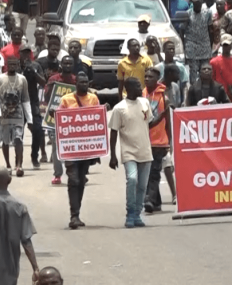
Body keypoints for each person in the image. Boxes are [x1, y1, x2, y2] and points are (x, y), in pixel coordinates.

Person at [109, 78, 160, 228]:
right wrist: (113, 155)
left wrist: (163, 116)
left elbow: (149, 123)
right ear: (129, 89)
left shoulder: (144, 103)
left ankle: (137, 214)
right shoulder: (119, 108)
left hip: (145, 150)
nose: (141, 87)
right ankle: (130, 212)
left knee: (143, 186)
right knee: (132, 180)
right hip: (129, 151)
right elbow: (113, 132)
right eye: (138, 85)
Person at [58, 72, 99, 229]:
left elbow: (97, 120)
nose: (84, 84)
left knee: (81, 180)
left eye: (86, 82)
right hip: (71, 148)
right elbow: (60, 119)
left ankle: (77, 213)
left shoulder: (93, 98)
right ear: (76, 84)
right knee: (73, 179)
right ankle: (73, 215)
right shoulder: (66, 99)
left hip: (85, 148)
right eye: (81, 82)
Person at [0, 166, 39, 285]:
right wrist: (35, 268)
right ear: (10, 180)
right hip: (9, 271)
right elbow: (26, 241)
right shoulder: (20, 207)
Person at [143, 67, 174, 212]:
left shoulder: (164, 98)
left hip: (159, 141)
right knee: (149, 172)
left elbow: (168, 121)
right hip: (144, 140)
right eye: (146, 76)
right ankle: (157, 203)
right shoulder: (141, 95)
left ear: (157, 79)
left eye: (151, 77)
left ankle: (149, 199)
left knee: (154, 171)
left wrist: (170, 142)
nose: (147, 79)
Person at [44, 56, 77, 184]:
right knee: (56, 147)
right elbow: (47, 98)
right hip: (54, 119)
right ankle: (57, 174)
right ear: (61, 65)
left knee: (72, 148)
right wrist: (50, 87)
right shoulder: (53, 79)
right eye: (65, 63)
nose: (68, 65)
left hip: (72, 120)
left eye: (70, 63)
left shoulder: (76, 80)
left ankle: (73, 173)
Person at [0, 57, 32, 176]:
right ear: (7, 65)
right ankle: (8, 165)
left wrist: (29, 119)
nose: (12, 66)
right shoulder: (1, 78)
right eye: (10, 64)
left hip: (18, 115)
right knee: (5, 141)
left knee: (18, 139)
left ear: (18, 65)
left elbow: (25, 99)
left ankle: (19, 165)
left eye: (15, 64)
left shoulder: (22, 79)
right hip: (4, 115)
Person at [19, 45, 45, 170]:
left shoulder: (36, 66)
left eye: (27, 53)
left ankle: (35, 156)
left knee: (38, 130)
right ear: (20, 54)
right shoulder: (16, 67)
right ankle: (19, 161)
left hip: (32, 103)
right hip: (19, 105)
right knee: (18, 134)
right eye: (23, 53)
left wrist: (32, 71)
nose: (25, 56)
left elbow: (43, 82)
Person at [184, 0, 213, 83]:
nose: (198, 6)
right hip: (192, 45)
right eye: (196, 4)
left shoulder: (207, 13)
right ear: (193, 4)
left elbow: (210, 29)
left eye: (199, 4)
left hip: (204, 45)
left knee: (205, 70)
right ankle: (194, 88)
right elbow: (184, 29)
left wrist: (210, 45)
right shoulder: (188, 13)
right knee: (193, 71)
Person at [156, 40, 189, 104]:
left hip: (176, 97)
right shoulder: (158, 67)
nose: (171, 51)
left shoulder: (180, 66)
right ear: (164, 50)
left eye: (173, 49)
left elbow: (185, 85)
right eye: (169, 49)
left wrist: (184, 101)